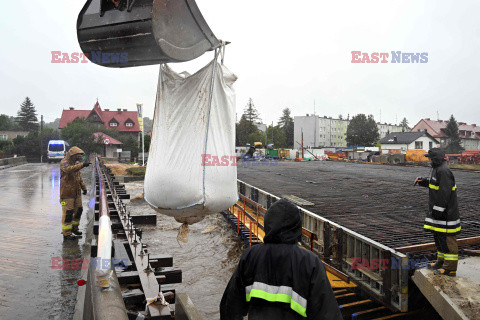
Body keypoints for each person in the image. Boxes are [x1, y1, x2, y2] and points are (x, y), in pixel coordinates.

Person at [220, 199, 342, 319]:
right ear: (297, 227)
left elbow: (229, 306)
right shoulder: (310, 262)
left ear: (267, 224)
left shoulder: (251, 256)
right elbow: (327, 313)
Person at [414, 148, 460, 277]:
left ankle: (450, 268)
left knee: (448, 240)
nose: (428, 160)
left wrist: (437, 211)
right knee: (439, 238)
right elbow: (436, 186)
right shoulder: (437, 169)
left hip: (446, 214)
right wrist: (424, 182)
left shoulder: (444, 171)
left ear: (435, 159)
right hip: (440, 213)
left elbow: (444, 194)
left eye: (429, 158)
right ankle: (441, 262)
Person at [60, 146, 90, 241]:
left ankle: (74, 229)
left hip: (77, 193)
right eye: (77, 155)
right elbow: (68, 169)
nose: (78, 157)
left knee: (78, 211)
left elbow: (79, 178)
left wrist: (84, 188)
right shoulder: (64, 162)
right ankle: (66, 233)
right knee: (68, 213)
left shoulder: (76, 164)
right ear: (72, 155)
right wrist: (81, 165)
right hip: (67, 194)